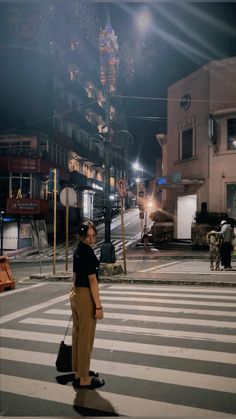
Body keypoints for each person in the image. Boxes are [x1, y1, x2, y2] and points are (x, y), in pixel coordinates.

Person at [70, 221, 105, 390]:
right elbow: (93, 281)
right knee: (86, 337)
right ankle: (84, 379)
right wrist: (98, 306)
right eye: (88, 236)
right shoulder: (88, 252)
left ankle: (79, 371)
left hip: (76, 294)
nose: (91, 239)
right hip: (85, 296)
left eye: (93, 236)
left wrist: (74, 294)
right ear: (82, 236)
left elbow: (75, 274)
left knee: (78, 335)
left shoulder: (77, 250)